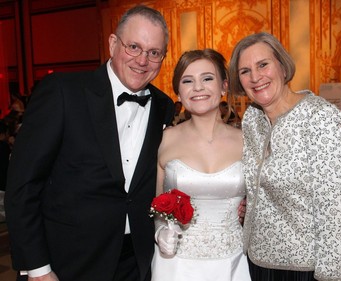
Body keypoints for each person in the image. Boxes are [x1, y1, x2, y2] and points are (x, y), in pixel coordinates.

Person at [5, 5, 174, 281]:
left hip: (137, 263)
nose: (142, 60)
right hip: (67, 263)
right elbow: (23, 185)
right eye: (133, 47)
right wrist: (37, 268)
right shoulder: (63, 92)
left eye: (153, 52)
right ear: (112, 44)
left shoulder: (163, 107)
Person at [228, 32, 341, 280]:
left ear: (282, 64)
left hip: (303, 270)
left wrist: (335, 276)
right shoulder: (252, 120)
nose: (255, 77)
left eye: (263, 65)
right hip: (256, 261)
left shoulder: (320, 118)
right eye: (245, 71)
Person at [151, 49, 251, 281]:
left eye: (207, 78)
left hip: (232, 263)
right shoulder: (163, 140)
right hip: (174, 265)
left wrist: (249, 213)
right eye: (188, 81)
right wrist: (159, 233)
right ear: (178, 92)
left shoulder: (247, 142)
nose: (198, 88)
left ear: (224, 86)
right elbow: (156, 205)